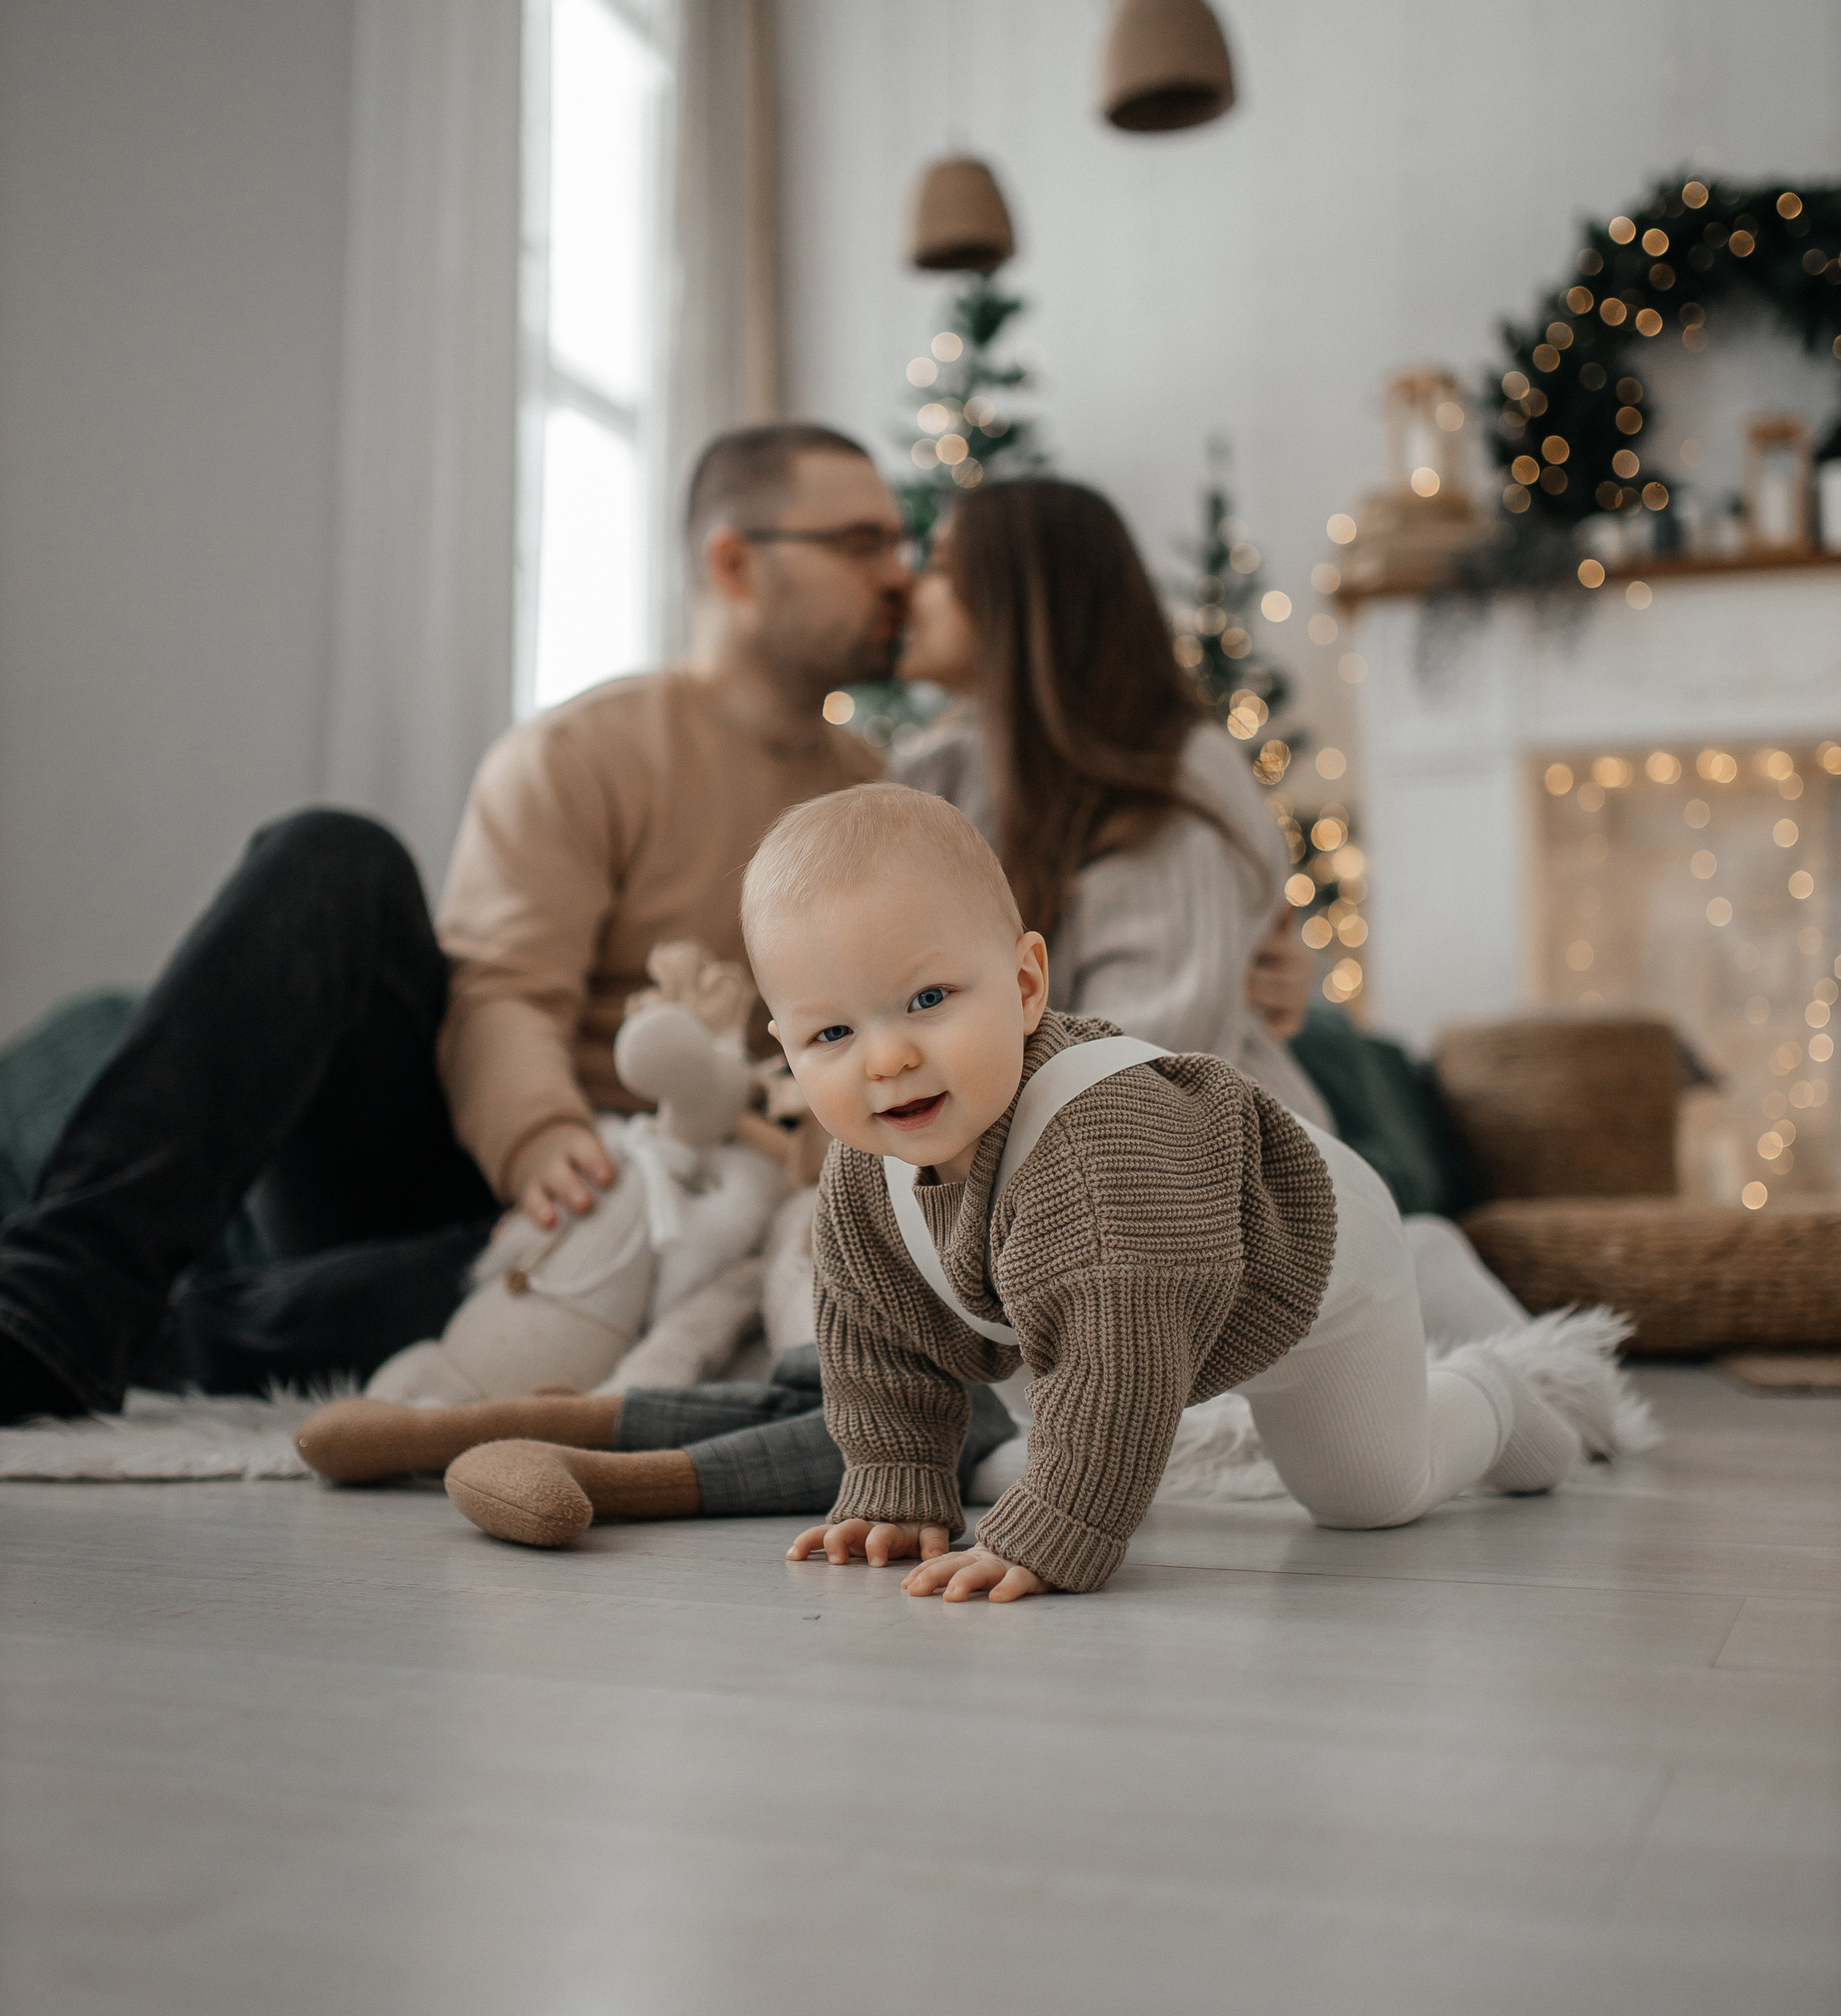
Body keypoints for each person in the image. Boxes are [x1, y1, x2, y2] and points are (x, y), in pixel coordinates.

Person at [0, 423, 910, 1426]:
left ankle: (183, 1335)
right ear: (735, 563)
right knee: (332, 856)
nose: (899, 574)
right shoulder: (585, 750)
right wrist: (542, 1141)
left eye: (899, 545)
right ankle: (49, 1311)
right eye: (862, 543)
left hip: (686, 1235)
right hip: (499, 1184)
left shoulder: (883, 803)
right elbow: (501, 989)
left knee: (310, 1339)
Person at [750, 783, 1620, 1602]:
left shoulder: (1099, 1152)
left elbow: (1119, 1364)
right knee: (1043, 1391)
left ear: (1024, 987)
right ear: (785, 1047)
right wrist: (896, 1481)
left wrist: (1054, 1528)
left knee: (1371, 1495)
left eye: (928, 998)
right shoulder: (861, 1174)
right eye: (832, 1032)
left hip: (1308, 1261)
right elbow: (877, 1332)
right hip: (1135, 1299)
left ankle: (1494, 1396)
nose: (887, 1059)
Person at [890, 475, 1525, 1344]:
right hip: (1039, 1171)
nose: (907, 589)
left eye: (939, 566)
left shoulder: (1171, 774)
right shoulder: (937, 773)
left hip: (1198, 1176)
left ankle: (1427, 1300)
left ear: (1020, 598)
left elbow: (1141, 1057)